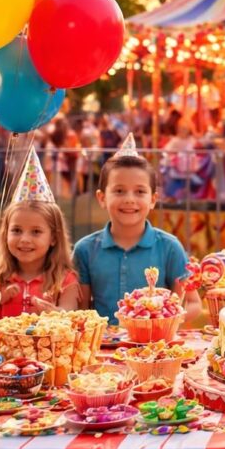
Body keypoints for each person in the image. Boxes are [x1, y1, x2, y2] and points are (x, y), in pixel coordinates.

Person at [74, 134, 197, 324]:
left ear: (153, 199)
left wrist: (164, 321)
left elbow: (193, 302)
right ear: (101, 198)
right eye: (119, 190)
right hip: (102, 348)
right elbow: (81, 309)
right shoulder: (85, 250)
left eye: (140, 191)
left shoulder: (169, 247)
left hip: (154, 347)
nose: (129, 199)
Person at [0, 149, 79, 319]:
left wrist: (53, 313)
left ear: (53, 238)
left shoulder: (64, 281)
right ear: (6, 234)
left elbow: (71, 317)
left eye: (36, 232)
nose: (25, 239)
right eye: (16, 230)